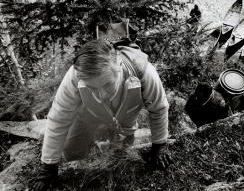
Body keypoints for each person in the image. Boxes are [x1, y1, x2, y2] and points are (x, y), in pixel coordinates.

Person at [30, 20, 172, 191]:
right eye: (92, 87)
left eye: (106, 84)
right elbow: (59, 118)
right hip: (88, 117)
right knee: (71, 152)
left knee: (120, 158)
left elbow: (159, 108)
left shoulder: (145, 72)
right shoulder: (75, 76)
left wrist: (159, 146)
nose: (101, 94)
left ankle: (118, 139)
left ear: (119, 68)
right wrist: (48, 167)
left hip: (126, 117)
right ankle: (91, 140)